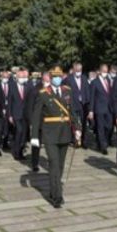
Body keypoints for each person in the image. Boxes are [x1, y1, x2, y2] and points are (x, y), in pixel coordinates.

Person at [30, 66, 81, 208]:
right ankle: (57, 196)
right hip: (50, 134)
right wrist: (34, 136)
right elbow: (36, 116)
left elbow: (72, 112)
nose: (58, 79)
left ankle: (54, 191)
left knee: (60, 165)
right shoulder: (43, 93)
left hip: (65, 133)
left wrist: (77, 128)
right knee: (53, 163)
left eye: (60, 76)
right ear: (51, 79)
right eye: (55, 77)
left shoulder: (67, 91)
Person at [89, 64, 114, 155]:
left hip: (109, 108)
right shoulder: (94, 82)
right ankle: (103, 146)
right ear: (99, 71)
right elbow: (92, 97)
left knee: (109, 127)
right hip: (99, 108)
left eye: (106, 71)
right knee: (100, 128)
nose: (105, 73)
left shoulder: (108, 80)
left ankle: (102, 142)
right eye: (103, 71)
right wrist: (91, 110)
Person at [65, 62, 90, 149]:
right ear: (74, 69)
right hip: (73, 104)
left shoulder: (84, 78)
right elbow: (66, 92)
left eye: (80, 70)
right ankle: (75, 141)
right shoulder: (68, 79)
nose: (79, 71)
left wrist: (87, 102)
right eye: (77, 70)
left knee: (84, 124)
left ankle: (84, 141)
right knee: (75, 123)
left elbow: (87, 90)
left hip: (83, 104)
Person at [7, 68, 31, 161]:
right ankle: (16, 151)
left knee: (24, 134)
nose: (22, 78)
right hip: (16, 114)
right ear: (16, 78)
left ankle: (21, 152)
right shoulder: (12, 86)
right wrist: (9, 115)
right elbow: (9, 102)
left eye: (23, 77)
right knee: (19, 131)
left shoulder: (27, 86)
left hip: (25, 115)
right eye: (20, 77)